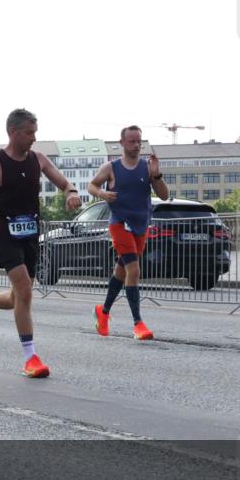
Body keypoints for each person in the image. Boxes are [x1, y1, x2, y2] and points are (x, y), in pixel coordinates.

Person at [0, 108, 82, 378]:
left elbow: (63, 182)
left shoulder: (38, 159)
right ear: (13, 132)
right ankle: (31, 357)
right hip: (3, 229)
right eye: (29, 133)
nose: (34, 138)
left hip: (29, 231)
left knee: (19, 296)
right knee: (25, 290)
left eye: (35, 132)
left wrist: (71, 192)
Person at [88, 125, 169, 340]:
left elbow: (163, 196)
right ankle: (138, 324)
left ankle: (103, 312)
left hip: (141, 225)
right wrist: (103, 193)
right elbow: (92, 186)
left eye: (139, 142)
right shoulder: (111, 167)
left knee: (121, 271)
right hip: (119, 224)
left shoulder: (147, 167)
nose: (136, 145)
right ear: (122, 143)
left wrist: (157, 174)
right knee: (134, 270)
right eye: (132, 141)